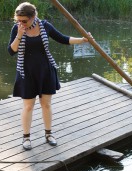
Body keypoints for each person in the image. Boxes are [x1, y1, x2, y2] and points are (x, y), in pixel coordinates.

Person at [8, 2, 91, 150]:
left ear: (34, 17)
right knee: (28, 107)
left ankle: (48, 134)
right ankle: (26, 138)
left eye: (24, 21)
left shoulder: (45, 26)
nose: (21, 23)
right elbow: (11, 51)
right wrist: (20, 35)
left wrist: (83, 40)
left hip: (46, 71)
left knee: (46, 104)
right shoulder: (17, 29)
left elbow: (63, 39)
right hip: (26, 72)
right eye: (18, 20)